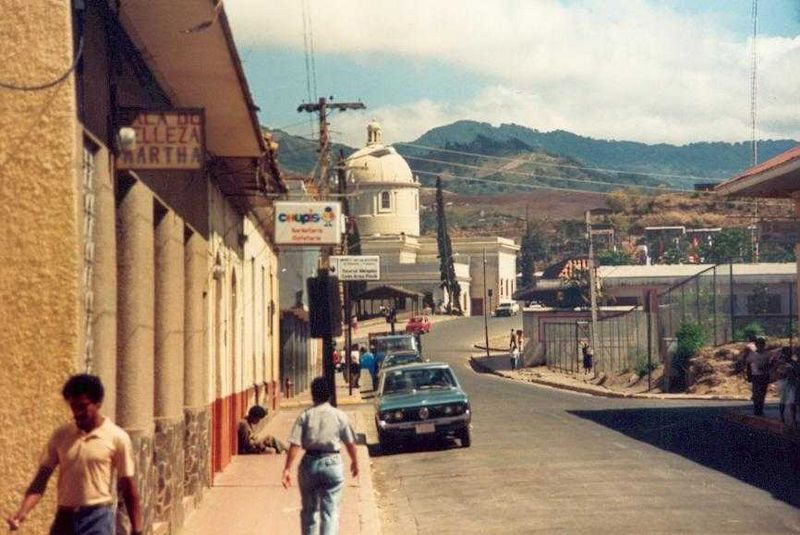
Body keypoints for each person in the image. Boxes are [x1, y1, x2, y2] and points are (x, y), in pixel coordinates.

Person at [6, 374, 143, 535]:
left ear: (98, 403)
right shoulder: (61, 435)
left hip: (97, 519)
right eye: (73, 407)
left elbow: (128, 488)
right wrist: (22, 512)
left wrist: (137, 529)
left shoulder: (117, 437)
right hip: (64, 519)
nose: (77, 412)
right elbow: (41, 479)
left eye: (83, 406)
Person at [282, 377, 359, 535]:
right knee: (330, 512)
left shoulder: (305, 416)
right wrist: (355, 462)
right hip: (333, 464)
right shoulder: (339, 415)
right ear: (329, 395)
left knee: (309, 512)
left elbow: (295, 444)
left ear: (313, 395)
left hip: (309, 464)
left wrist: (287, 469)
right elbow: (350, 443)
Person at [745, 336, 773, 417]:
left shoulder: (767, 354)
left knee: (762, 393)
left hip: (764, 375)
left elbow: (771, 364)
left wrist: (766, 367)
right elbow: (748, 365)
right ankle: (756, 410)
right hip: (755, 376)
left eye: (762, 343)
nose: (760, 345)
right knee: (756, 393)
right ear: (756, 344)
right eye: (759, 343)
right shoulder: (752, 354)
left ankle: (760, 410)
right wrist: (749, 376)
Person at [775, 347, 797, 426]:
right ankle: (781, 416)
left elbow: (796, 373)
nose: (788, 354)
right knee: (783, 400)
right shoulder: (780, 363)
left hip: (792, 383)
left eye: (790, 353)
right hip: (783, 383)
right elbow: (778, 374)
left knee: (792, 401)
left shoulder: (793, 363)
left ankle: (793, 419)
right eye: (787, 352)